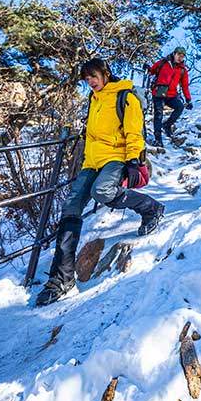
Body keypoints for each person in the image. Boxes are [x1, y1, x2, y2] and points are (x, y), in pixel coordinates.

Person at [36, 58, 164, 307]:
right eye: (86, 80)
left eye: (93, 77)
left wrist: (135, 161)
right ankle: (61, 279)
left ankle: (150, 208)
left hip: (116, 158)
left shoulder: (125, 96)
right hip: (91, 162)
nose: (90, 82)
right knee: (70, 207)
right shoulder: (94, 99)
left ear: (106, 73)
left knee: (102, 191)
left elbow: (133, 131)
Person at [149, 46, 193, 144]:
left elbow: (185, 86)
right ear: (174, 54)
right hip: (158, 93)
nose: (180, 58)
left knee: (180, 107)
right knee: (158, 114)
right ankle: (158, 139)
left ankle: (167, 125)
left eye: (182, 56)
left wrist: (188, 99)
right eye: (178, 55)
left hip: (172, 95)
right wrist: (147, 68)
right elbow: (152, 71)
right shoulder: (163, 63)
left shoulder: (183, 70)